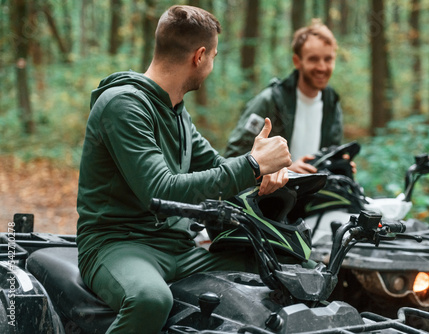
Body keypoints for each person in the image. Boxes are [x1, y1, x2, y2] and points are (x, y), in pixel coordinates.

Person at [76, 5, 291, 334]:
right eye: (215, 56)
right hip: (116, 245)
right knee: (150, 299)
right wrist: (251, 164)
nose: (212, 65)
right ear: (200, 56)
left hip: (177, 247)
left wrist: (264, 172)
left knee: (280, 271)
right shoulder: (122, 106)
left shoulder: (177, 112)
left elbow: (219, 171)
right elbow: (160, 191)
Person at [225, 19, 355, 175]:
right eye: (313, 59)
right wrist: (284, 170)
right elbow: (233, 157)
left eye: (328, 59)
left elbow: (329, 155)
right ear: (297, 61)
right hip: (270, 197)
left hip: (315, 196)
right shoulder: (270, 101)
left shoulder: (332, 104)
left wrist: (339, 165)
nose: (322, 67)